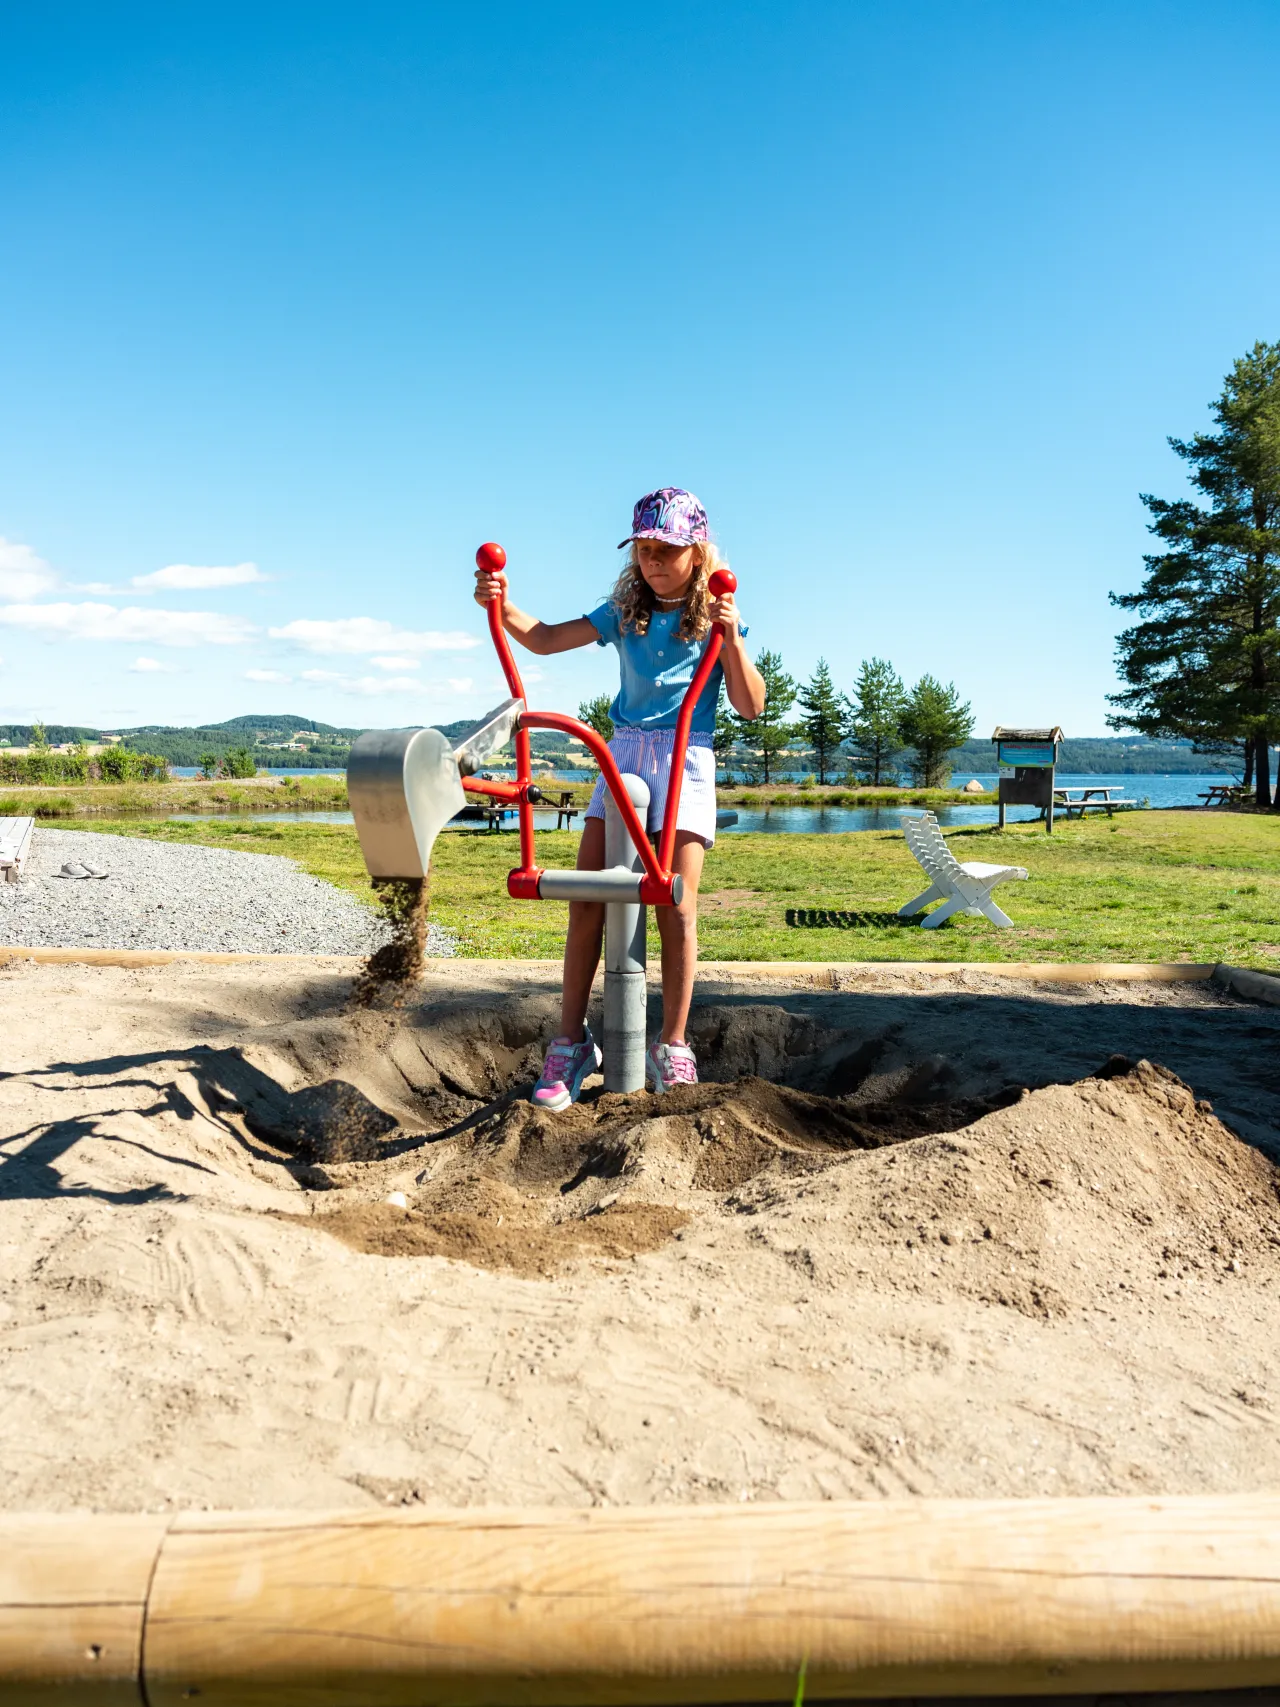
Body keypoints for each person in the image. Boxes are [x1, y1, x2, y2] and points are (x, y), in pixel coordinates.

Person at [473, 487, 765, 1108]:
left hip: (687, 756)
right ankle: (571, 1040)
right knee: (587, 901)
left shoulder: (716, 614)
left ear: (698, 554)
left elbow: (750, 704)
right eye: (644, 551)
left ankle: (673, 1045)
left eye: (667, 550)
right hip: (623, 756)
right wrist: (502, 605)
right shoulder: (625, 609)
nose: (653, 561)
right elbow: (548, 638)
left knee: (675, 907)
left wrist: (733, 638)